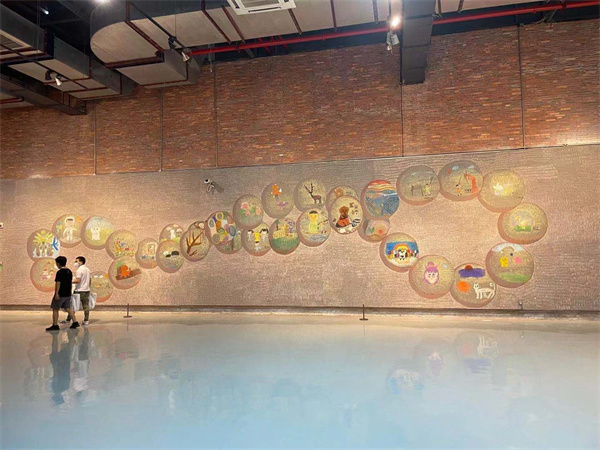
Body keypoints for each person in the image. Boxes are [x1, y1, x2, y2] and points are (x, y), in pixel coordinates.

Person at [46, 256, 79, 331]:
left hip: (61, 294)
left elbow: (58, 283)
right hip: (67, 294)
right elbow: (69, 283)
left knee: (55, 309)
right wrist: (70, 292)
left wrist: (56, 293)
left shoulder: (60, 272)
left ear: (58, 263)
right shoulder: (69, 271)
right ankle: (75, 322)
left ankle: (55, 325)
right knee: (68, 308)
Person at [73, 256, 92, 325]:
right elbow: (90, 280)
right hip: (86, 290)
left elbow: (78, 281)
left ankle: (69, 319)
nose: (75, 263)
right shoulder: (88, 270)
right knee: (86, 306)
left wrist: (69, 281)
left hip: (79, 290)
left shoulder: (79, 270)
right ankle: (86, 320)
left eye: (76, 261)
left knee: (73, 305)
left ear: (81, 262)